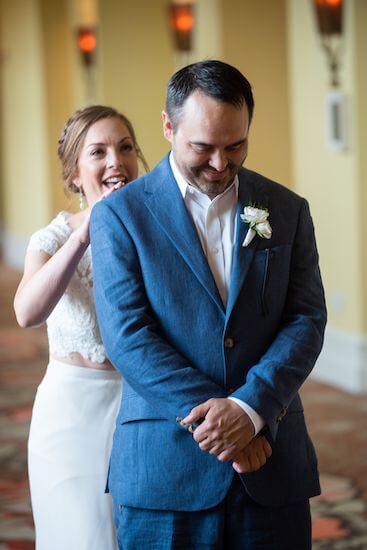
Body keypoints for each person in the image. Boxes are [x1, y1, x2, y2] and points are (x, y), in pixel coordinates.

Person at [90, 60, 327, 549]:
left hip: (270, 459)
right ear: (168, 126)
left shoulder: (286, 210)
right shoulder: (120, 215)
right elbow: (127, 336)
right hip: (164, 470)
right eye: (202, 147)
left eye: (235, 145)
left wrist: (249, 409)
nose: (220, 163)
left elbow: (305, 318)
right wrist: (221, 423)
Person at [13, 105, 148, 550]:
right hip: (70, 418)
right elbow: (27, 312)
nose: (116, 160)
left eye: (125, 147)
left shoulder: (153, 232)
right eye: (99, 151)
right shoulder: (50, 239)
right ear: (75, 173)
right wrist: (84, 234)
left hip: (139, 411)